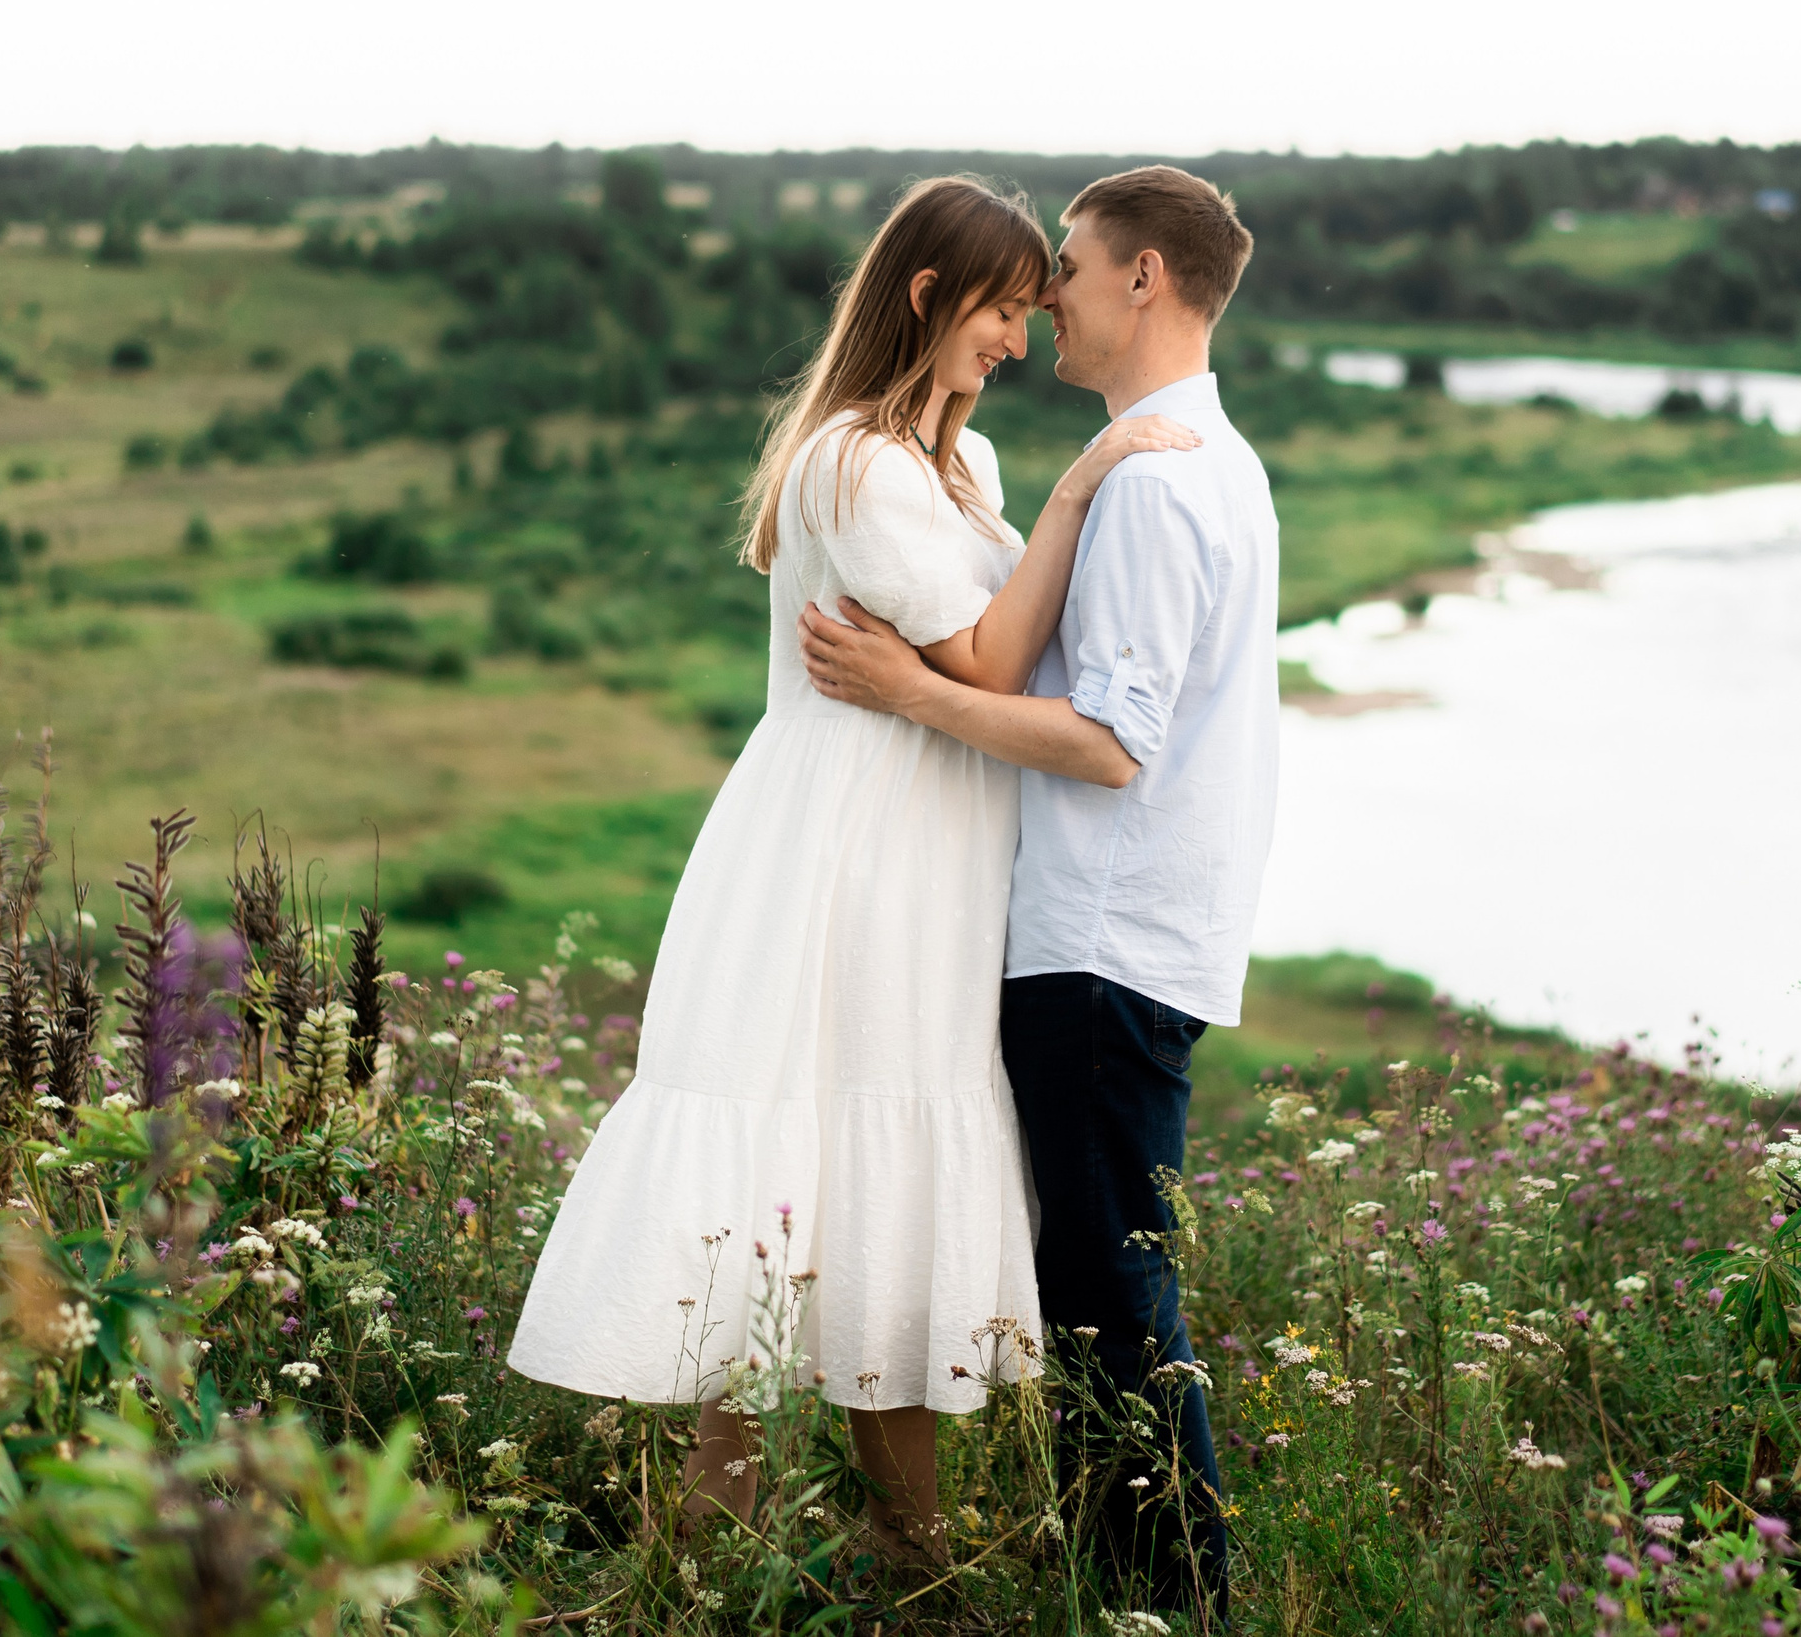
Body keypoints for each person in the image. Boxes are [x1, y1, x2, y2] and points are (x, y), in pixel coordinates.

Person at [507, 174, 1199, 1564]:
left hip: (933, 850)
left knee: (880, 1171)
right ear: (932, 299)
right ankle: (722, 1552)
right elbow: (992, 660)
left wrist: (1035, 506)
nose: (1020, 334)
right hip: (844, 851)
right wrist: (1084, 486)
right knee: (797, 1162)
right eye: (1004, 309)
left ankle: (902, 1546)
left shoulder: (961, 465)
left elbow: (985, 649)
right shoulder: (851, 462)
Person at [799, 165, 1274, 1629]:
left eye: (1065, 266)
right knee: (1103, 1282)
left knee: (1111, 1300)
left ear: (1143, 277)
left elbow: (1110, 745)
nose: (1049, 297)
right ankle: (1138, 1585)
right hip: (1147, 933)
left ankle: (1165, 1598)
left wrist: (903, 692)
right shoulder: (1215, 459)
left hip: (1100, 939)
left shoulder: (1146, 476)